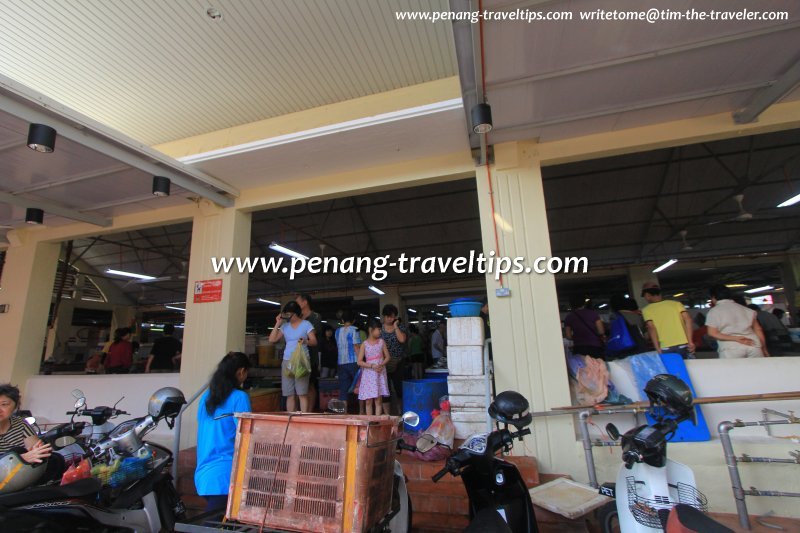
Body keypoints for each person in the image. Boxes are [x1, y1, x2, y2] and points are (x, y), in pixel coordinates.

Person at [195, 352, 252, 513]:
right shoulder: (239, 397)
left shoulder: (206, 397)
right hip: (226, 475)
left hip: (204, 476)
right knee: (213, 526)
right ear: (241, 372)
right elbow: (246, 434)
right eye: (246, 373)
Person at [269, 301, 317, 412]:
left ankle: (303, 418)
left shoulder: (306, 324)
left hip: (301, 361)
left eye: (288, 314)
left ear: (295, 313)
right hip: (287, 361)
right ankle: (291, 417)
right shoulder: (285, 326)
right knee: (289, 393)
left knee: (302, 393)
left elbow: (314, 341)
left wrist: (306, 341)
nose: (287, 317)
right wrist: (277, 323)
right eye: (285, 314)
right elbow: (272, 340)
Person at [704, 285, 768, 358]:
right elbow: (758, 329)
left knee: (733, 369)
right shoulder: (747, 310)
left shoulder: (714, 311)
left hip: (731, 347)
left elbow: (712, 333)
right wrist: (764, 348)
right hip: (753, 345)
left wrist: (735, 338)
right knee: (757, 369)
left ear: (713, 297)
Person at [641, 281, 695, 359]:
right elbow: (688, 320)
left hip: (665, 347)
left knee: (671, 370)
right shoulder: (676, 304)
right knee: (687, 368)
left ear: (647, 295)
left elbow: (651, 328)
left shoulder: (646, 310)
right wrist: (690, 341)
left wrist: (657, 348)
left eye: (644, 296)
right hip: (683, 344)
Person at [357, 319, 391, 415]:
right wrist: (371, 365)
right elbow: (359, 361)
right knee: (368, 401)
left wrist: (381, 364)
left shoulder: (381, 342)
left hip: (379, 372)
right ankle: (370, 422)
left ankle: (377, 421)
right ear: (371, 330)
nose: (380, 331)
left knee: (378, 400)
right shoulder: (364, 344)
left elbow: (388, 357)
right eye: (378, 329)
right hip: (369, 374)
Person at [380, 304, 407, 415]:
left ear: (395, 316)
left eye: (392, 316)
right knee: (385, 390)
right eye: (387, 316)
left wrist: (396, 326)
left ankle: (401, 412)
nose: (390, 319)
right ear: (384, 317)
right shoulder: (379, 328)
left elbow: (402, 340)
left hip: (398, 361)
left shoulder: (400, 327)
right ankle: (387, 414)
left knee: (399, 388)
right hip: (383, 363)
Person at [608, 293, 649, 357]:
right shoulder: (637, 315)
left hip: (625, 347)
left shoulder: (614, 317)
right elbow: (645, 334)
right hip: (641, 347)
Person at [335, 309, 361, 407]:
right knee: (359, 386)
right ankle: (361, 411)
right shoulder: (355, 330)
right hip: (354, 361)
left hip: (341, 362)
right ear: (354, 320)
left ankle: (344, 413)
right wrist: (361, 361)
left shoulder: (337, 331)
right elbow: (356, 347)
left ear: (342, 320)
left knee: (343, 389)